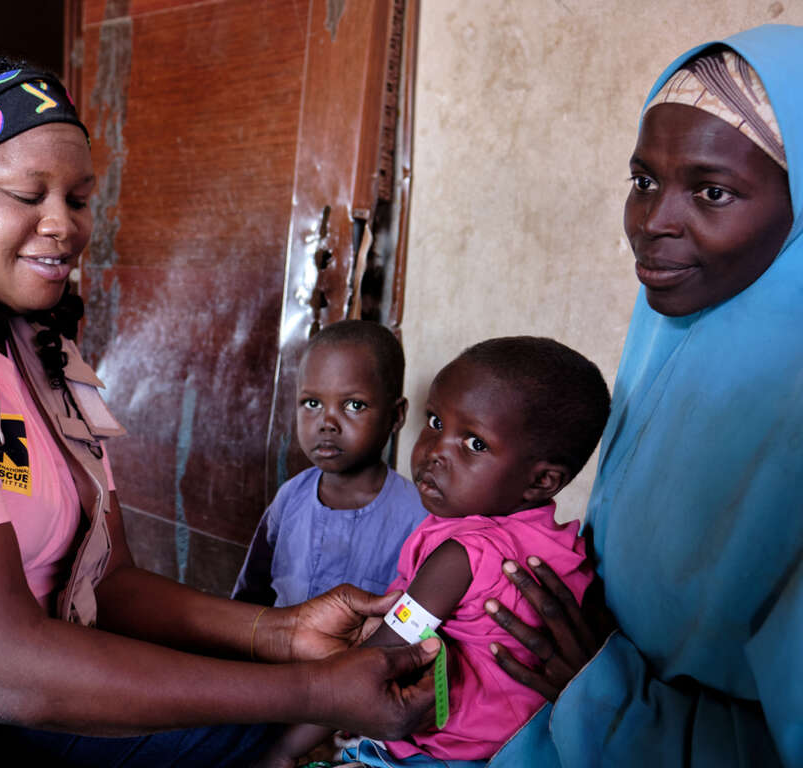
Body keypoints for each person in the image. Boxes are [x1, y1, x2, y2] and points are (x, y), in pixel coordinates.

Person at [0, 53, 441, 768]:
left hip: (19, 688)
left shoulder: (37, 343)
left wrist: (279, 636)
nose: (63, 225)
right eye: (28, 195)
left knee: (256, 736)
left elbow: (106, 580)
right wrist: (313, 691)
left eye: (79, 198)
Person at [479, 24, 803, 768]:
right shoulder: (672, 342)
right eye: (644, 180)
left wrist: (613, 694)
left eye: (711, 191)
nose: (651, 223)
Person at [256, 336, 610, 767]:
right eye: (436, 422)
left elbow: (376, 660)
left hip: (437, 754)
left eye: (475, 444)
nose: (435, 452)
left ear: (541, 482)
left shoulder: (460, 556)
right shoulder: (564, 548)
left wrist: (284, 749)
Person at [232, 320, 427, 608]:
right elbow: (251, 595)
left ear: (396, 416)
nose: (327, 423)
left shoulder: (418, 518)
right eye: (312, 404)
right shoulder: (290, 498)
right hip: (274, 651)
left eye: (354, 405)